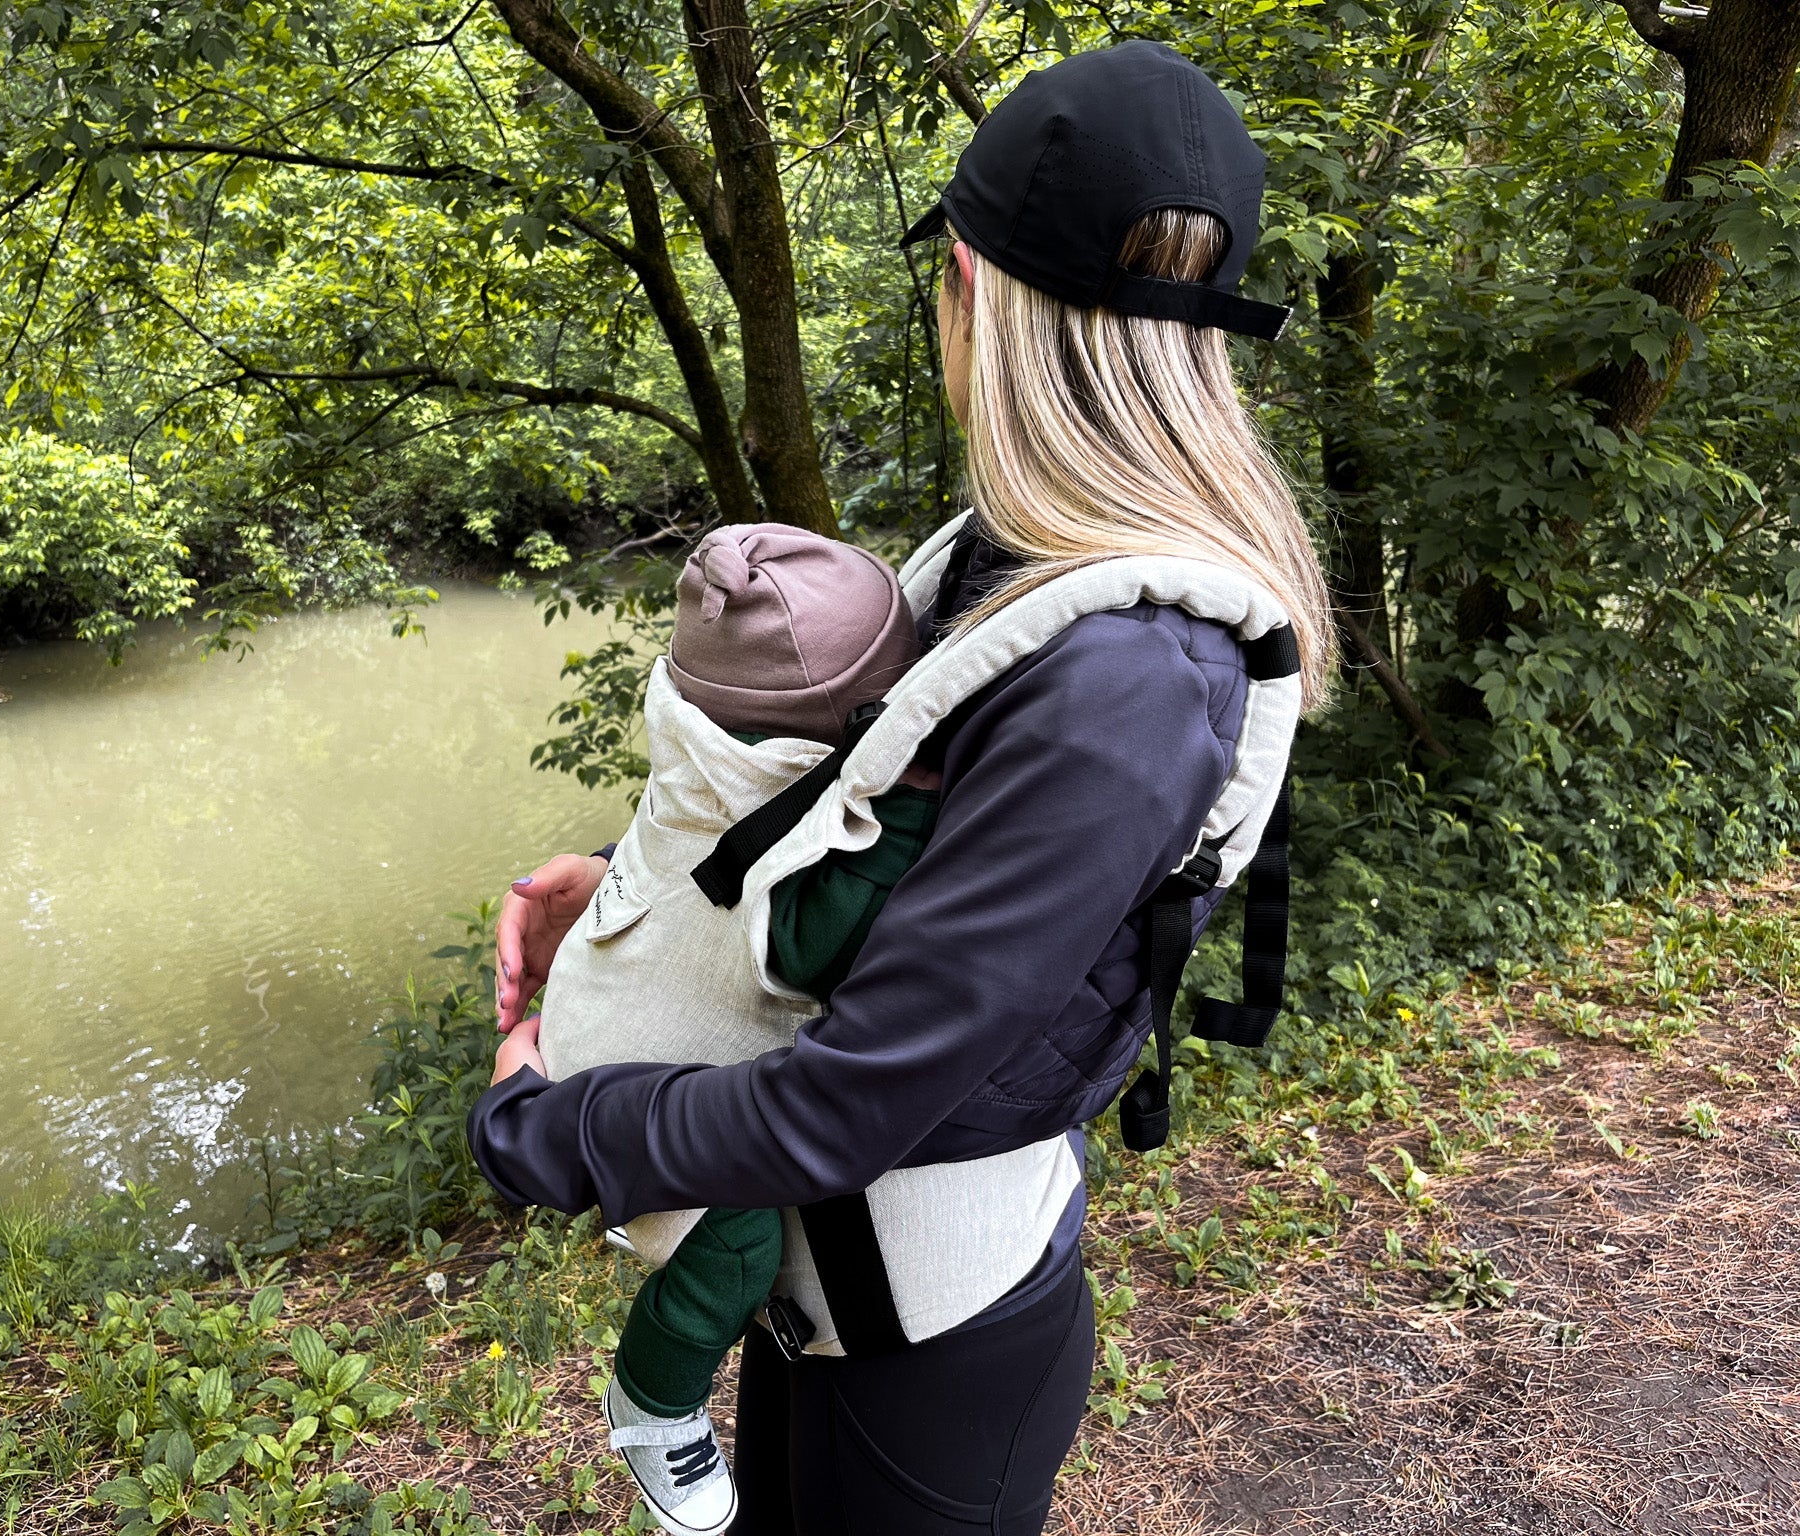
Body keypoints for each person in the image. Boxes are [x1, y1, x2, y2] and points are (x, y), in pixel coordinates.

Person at [469, 38, 1334, 1536]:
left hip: (931, 1352)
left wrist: (539, 1129)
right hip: (831, 1308)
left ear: (971, 289)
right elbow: (881, 838)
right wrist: (642, 887)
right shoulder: (1023, 558)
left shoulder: (1129, 677)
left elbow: (841, 1109)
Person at [535, 523, 941, 1535]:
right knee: (737, 1246)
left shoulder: (700, 739)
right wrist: (905, 822)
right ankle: (652, 1400)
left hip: (598, 979)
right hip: (631, 1058)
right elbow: (801, 944)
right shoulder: (770, 794)